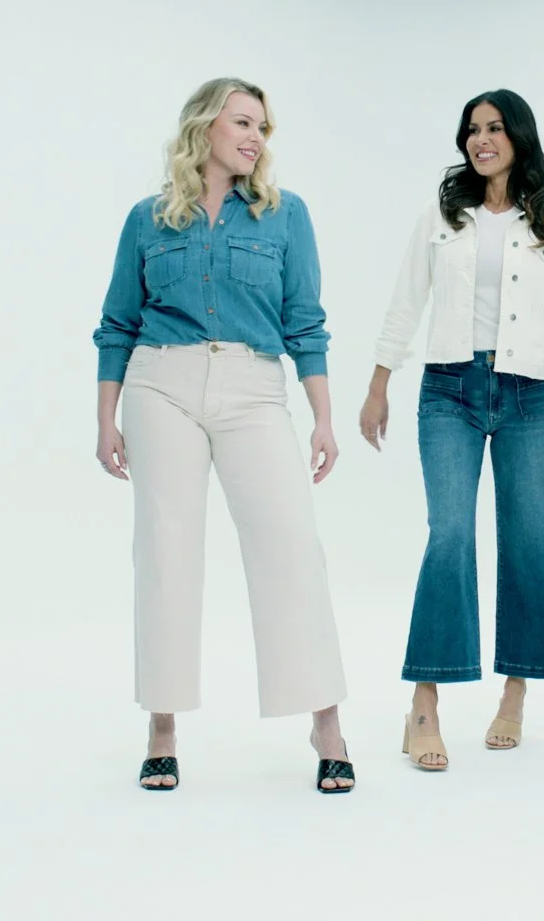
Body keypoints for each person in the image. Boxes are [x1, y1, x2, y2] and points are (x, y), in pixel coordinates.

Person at [93, 77, 355, 794]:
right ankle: (163, 726)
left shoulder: (285, 215)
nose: (255, 138)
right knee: (167, 553)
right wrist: (105, 417)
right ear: (205, 126)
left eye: (263, 128)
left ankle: (325, 722)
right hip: (160, 386)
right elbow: (118, 323)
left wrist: (323, 416)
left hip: (252, 389)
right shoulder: (147, 219)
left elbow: (306, 321)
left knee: (292, 547)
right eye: (243, 122)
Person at [358, 89, 544, 771]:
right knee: (450, 533)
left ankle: (514, 694)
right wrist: (379, 383)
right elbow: (406, 298)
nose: (480, 139)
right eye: (471, 130)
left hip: (528, 396)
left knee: (532, 541)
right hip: (449, 390)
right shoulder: (443, 214)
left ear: (519, 136)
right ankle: (423, 705)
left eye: (493, 128)